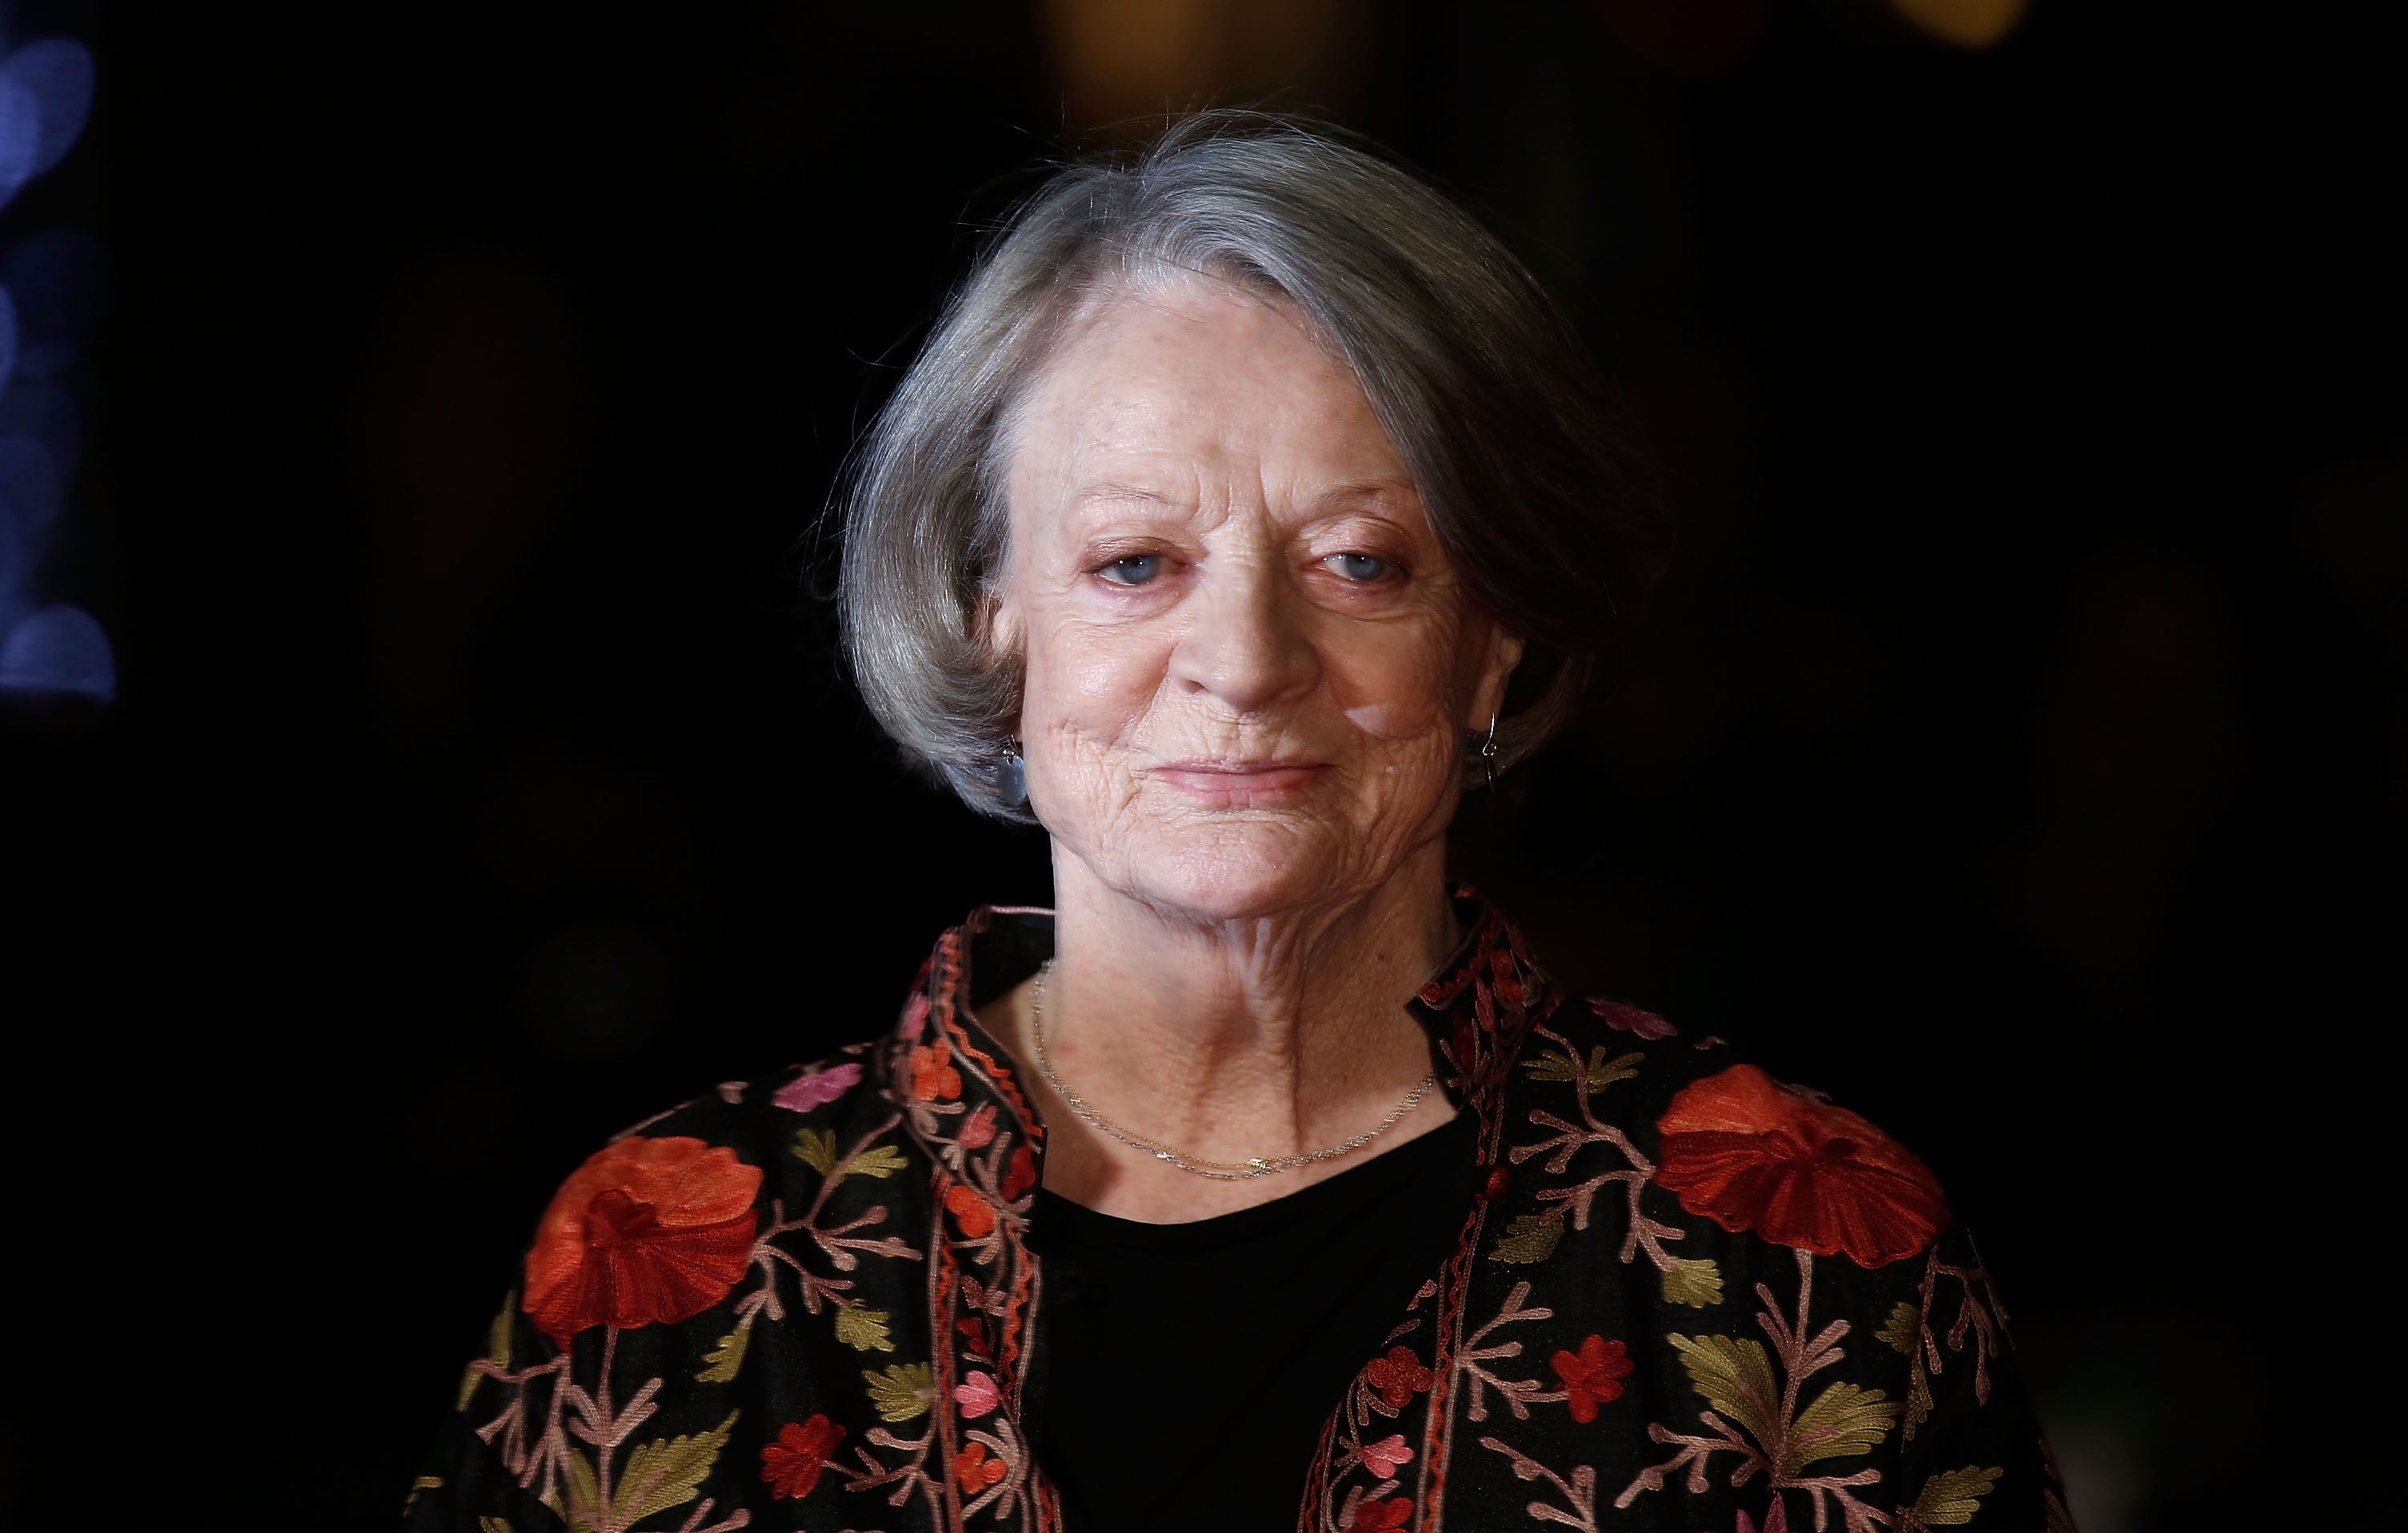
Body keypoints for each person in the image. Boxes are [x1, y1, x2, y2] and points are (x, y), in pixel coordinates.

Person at [410, 113, 2069, 1533]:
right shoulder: (668, 1263)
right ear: (994, 610)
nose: (1247, 663)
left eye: (1361, 561)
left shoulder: (1809, 1250)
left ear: (1492, 633)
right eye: (1137, 563)